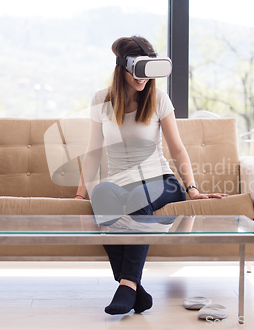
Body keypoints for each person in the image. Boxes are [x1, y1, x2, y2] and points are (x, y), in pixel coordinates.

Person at [75, 36, 228, 315]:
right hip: (120, 184)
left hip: (163, 183)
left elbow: (178, 150)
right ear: (123, 67)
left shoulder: (158, 99)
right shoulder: (101, 100)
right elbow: (93, 153)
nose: (144, 79)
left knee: (135, 200)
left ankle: (127, 285)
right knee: (101, 195)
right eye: (139, 71)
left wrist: (192, 189)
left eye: (150, 72)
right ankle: (137, 291)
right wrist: (79, 193)